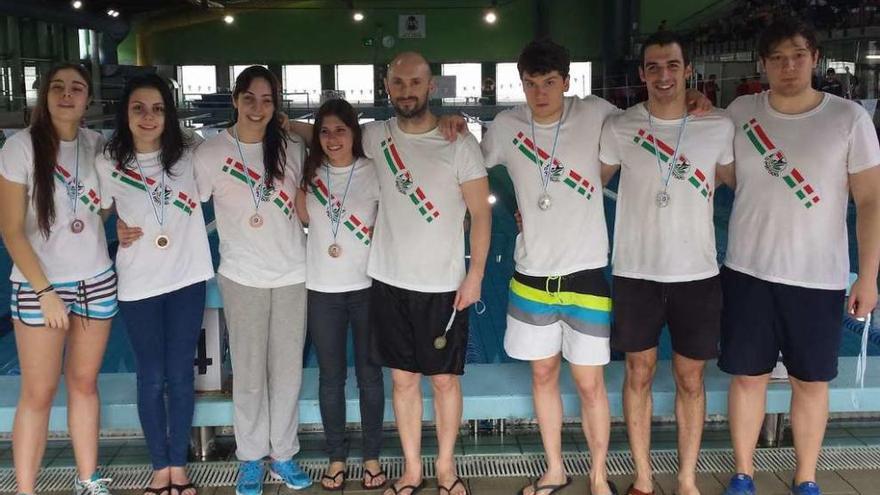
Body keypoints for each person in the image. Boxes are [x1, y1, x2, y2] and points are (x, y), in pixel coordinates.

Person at [718, 17, 880, 495]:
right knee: (748, 379)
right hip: (748, 271)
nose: (788, 66)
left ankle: (805, 478)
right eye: (777, 58)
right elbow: (722, 174)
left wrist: (867, 277)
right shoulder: (740, 112)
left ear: (814, 58)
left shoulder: (847, 118)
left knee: (811, 382)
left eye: (797, 55)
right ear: (763, 64)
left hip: (818, 278)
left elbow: (869, 201)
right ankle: (743, 474)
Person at [599, 31, 734, 495]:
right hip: (636, 271)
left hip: (696, 274)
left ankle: (688, 479)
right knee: (637, 372)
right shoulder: (619, 127)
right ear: (641, 73)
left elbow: (746, 183)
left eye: (672, 66)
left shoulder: (717, 126)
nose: (663, 75)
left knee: (690, 377)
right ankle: (642, 478)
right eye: (653, 67)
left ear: (687, 70)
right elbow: (589, 180)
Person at [368, 52, 490, 495]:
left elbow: (480, 214)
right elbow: (323, 135)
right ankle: (413, 470)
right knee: (402, 380)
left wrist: (474, 275)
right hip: (388, 279)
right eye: (398, 82)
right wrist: (283, 120)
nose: (406, 90)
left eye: (414, 82)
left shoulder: (459, 143)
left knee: (443, 380)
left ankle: (444, 468)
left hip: (442, 285)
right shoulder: (374, 137)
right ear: (387, 85)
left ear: (431, 86)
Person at [194, 66, 312, 495]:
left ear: (276, 104)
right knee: (248, 373)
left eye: (267, 100)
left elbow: (334, 137)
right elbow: (183, 203)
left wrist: (291, 125)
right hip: (241, 276)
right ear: (235, 99)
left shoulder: (292, 147)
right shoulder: (210, 153)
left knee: (286, 373)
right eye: (250, 98)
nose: (258, 108)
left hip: (292, 273)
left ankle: (282, 454)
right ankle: (249, 458)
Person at [0, 63, 117, 495]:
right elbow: (11, 229)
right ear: (44, 94)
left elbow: (100, 208)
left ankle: (88, 478)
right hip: (39, 287)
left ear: (88, 98)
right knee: (39, 391)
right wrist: (45, 292)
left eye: (77, 88)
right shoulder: (20, 149)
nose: (67, 95)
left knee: (84, 384)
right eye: (59, 87)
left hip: (96, 281)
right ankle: (25, 490)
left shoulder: (96, 144)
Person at [96, 73, 213, 495]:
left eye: (158, 109)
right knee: (151, 376)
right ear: (125, 113)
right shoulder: (108, 161)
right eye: (139, 108)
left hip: (186, 277)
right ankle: (158, 467)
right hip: (138, 282)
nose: (149, 117)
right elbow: (95, 215)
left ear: (169, 115)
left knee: (180, 375)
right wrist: (115, 235)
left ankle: (178, 468)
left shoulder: (190, 156)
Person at [294, 98, 385, 491]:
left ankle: (371, 457)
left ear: (354, 134)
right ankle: (336, 457)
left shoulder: (373, 172)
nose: (333, 138)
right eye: (325, 131)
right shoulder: (308, 173)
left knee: (369, 377)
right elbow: (299, 217)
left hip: (367, 288)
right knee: (330, 379)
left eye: (340, 130)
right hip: (322, 289)